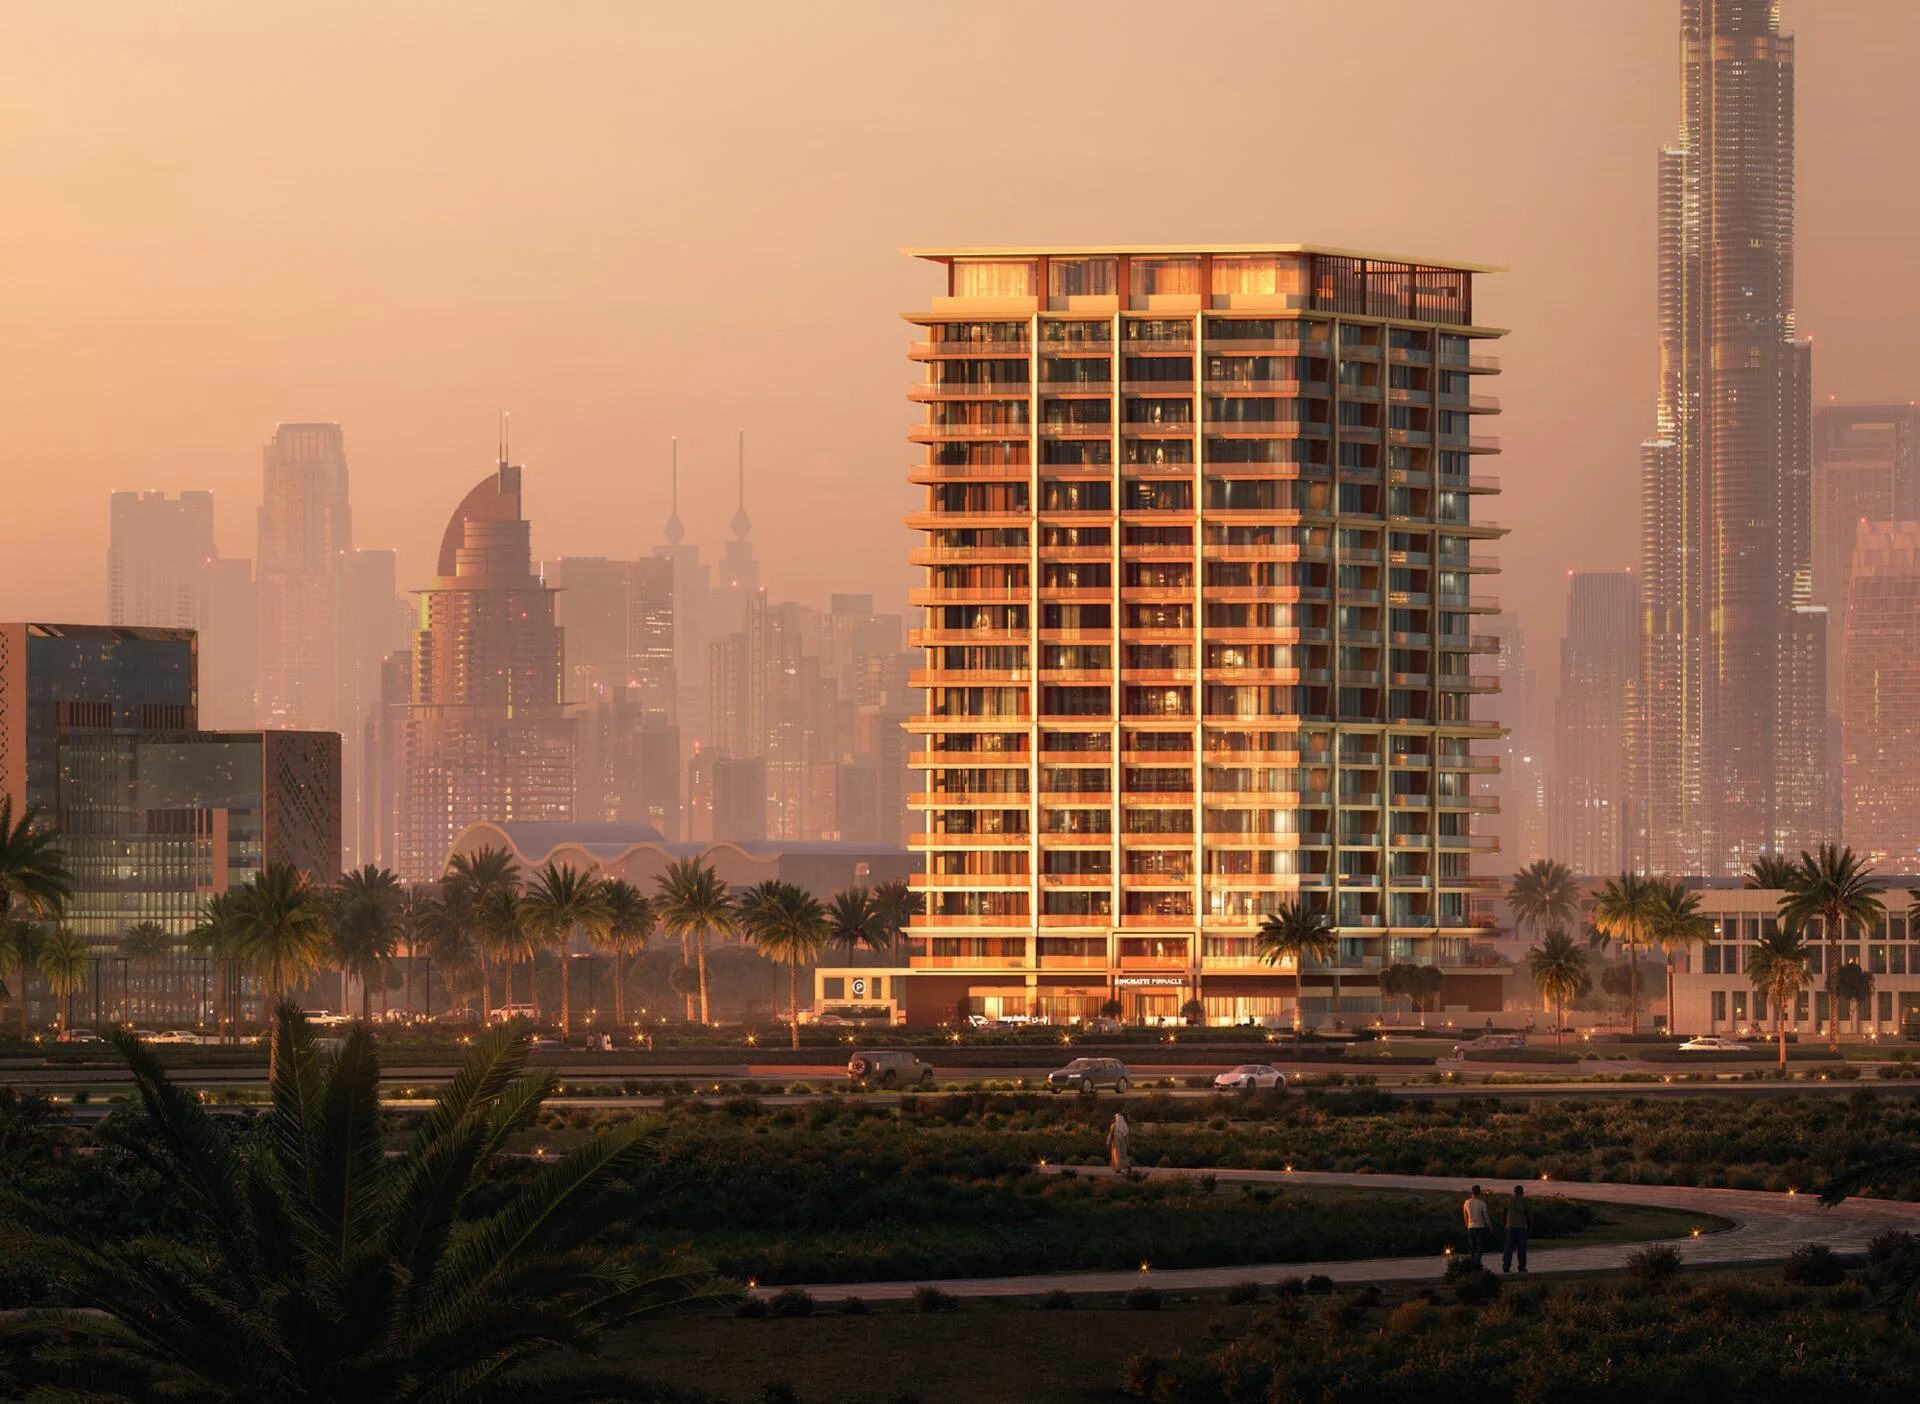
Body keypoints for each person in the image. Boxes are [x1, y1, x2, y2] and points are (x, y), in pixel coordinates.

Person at [1502, 1184, 1531, 1273]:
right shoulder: (1525, 1201)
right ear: (1522, 1192)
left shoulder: (1508, 1200)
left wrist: (1505, 1224)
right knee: (1521, 1248)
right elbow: (1529, 1215)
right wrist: (1530, 1226)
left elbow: (1504, 1213)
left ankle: (1506, 1265)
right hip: (1521, 1226)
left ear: (1514, 1192)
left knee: (1508, 1248)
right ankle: (1521, 1267)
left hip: (1510, 1226)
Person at [1462, 1185, 1492, 1265]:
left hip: (1471, 1226)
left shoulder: (1467, 1202)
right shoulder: (1482, 1203)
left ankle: (1472, 1261)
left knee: (1472, 1246)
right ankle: (1477, 1261)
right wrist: (1490, 1226)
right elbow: (1486, 1217)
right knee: (1480, 1247)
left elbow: (1465, 1216)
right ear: (1479, 1192)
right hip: (1480, 1227)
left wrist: (1467, 1225)